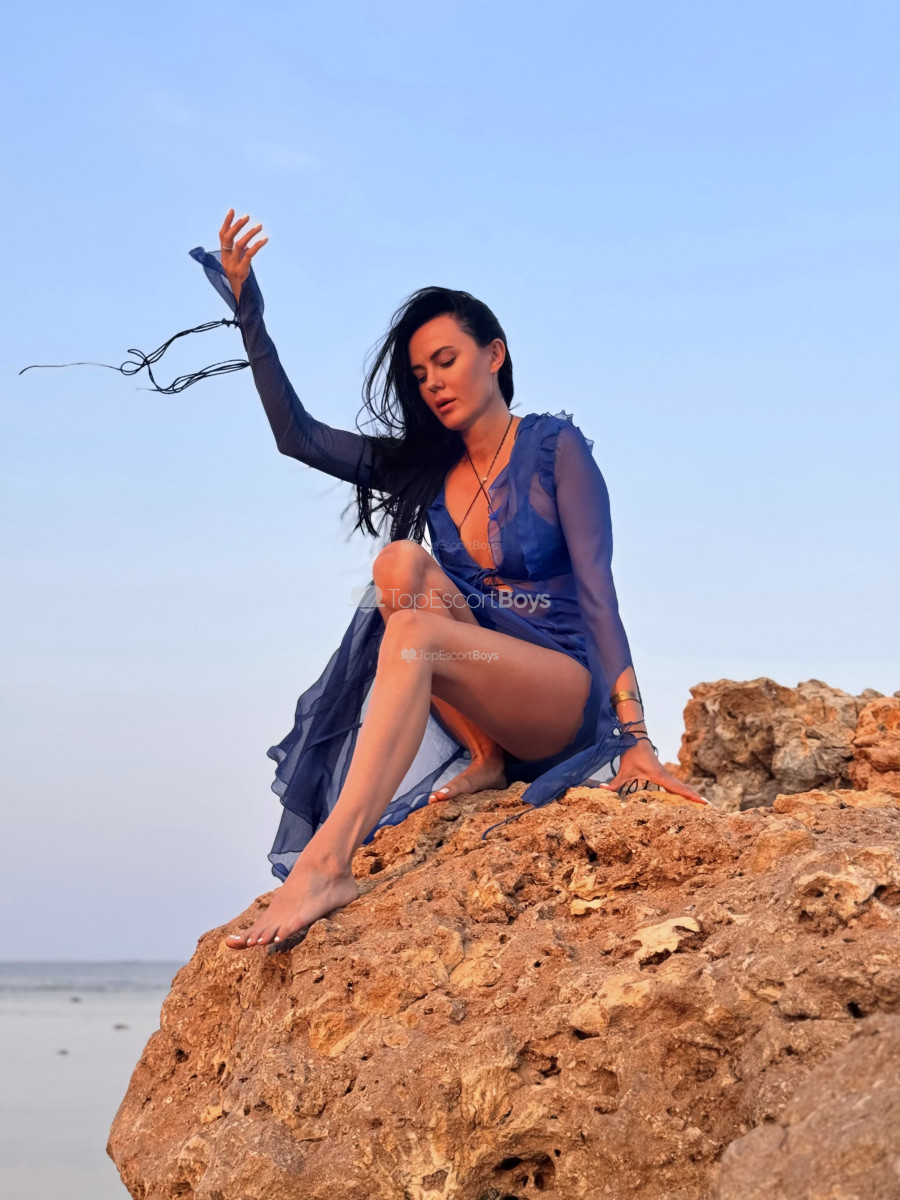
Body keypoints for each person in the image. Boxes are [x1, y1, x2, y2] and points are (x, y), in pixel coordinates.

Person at [193, 209, 708, 951]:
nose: (433, 383)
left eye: (446, 360)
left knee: (411, 630)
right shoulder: (431, 469)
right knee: (398, 564)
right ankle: (485, 755)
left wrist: (637, 738)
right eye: (420, 373)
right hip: (487, 686)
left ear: (494, 354)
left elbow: (599, 592)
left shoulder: (554, 448)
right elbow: (296, 436)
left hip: (562, 692)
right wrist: (249, 311)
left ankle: (327, 863)